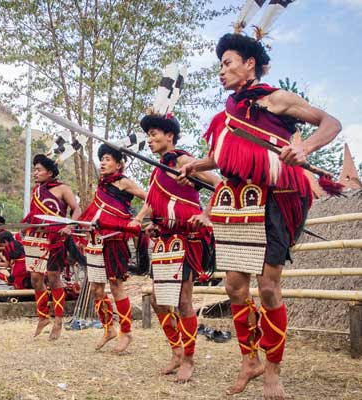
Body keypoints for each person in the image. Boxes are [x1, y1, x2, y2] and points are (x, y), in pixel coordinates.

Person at [180, 33, 342, 399]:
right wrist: (195, 165)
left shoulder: (276, 100)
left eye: (228, 63)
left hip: (276, 197)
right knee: (235, 287)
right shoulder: (226, 117)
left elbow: (330, 123)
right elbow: (223, 158)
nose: (222, 72)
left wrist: (305, 148)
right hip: (238, 202)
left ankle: (273, 370)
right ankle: (249, 359)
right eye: (220, 65)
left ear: (249, 63)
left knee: (268, 288)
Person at [130, 110, 219, 382]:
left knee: (183, 301)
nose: (150, 138)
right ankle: (177, 350)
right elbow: (155, 202)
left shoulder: (183, 160)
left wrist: (206, 215)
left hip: (187, 239)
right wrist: (147, 220)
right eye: (148, 135)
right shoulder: (158, 171)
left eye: (154, 133)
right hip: (164, 241)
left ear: (170, 135)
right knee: (158, 300)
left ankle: (190, 359)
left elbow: (219, 184)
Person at [78, 144, 146, 353]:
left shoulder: (124, 183)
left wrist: (138, 219)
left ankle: (126, 332)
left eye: (108, 159)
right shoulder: (101, 186)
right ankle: (108, 328)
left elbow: (151, 198)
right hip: (96, 238)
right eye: (102, 159)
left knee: (116, 284)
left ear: (119, 164)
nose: (103, 163)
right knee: (95, 287)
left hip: (115, 238)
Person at [21, 154, 83, 341]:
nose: (35, 173)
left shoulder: (63, 189)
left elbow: (76, 209)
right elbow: (34, 213)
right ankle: (42, 316)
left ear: (50, 172)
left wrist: (69, 226)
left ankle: (58, 320)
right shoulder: (37, 190)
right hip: (36, 236)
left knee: (54, 278)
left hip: (55, 238)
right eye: (35, 169)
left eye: (39, 170)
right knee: (35, 278)